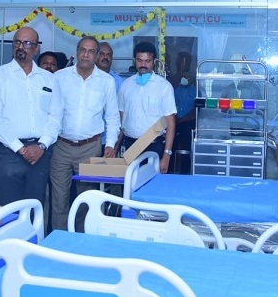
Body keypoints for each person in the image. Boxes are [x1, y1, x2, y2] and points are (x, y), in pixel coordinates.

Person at [46, 36, 120, 231]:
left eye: (91, 51)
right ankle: (60, 240)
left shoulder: (106, 81)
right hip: (61, 146)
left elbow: (113, 117)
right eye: (83, 50)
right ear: (77, 51)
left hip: (90, 148)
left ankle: (80, 237)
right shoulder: (59, 77)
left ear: (96, 55)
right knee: (59, 200)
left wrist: (110, 144)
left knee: (86, 200)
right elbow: (51, 113)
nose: (86, 55)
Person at [0, 26, 54, 207]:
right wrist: (20, 149)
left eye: (27, 43)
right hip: (8, 153)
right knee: (5, 210)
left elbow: (56, 116)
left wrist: (41, 145)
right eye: (17, 42)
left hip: (40, 154)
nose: (21, 47)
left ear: (36, 48)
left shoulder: (48, 79)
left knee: (34, 208)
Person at [118, 41, 176, 174]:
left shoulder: (164, 87)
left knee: (152, 184)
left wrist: (167, 155)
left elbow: (170, 123)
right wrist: (115, 147)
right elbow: (120, 119)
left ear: (154, 61)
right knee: (128, 184)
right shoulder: (126, 85)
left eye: (147, 61)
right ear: (134, 60)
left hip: (153, 145)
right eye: (140, 60)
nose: (143, 65)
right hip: (129, 146)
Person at [172, 51, 196, 174]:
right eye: (184, 75)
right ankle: (171, 170)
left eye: (187, 75)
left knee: (187, 148)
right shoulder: (177, 89)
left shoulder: (196, 91)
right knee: (172, 146)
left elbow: (195, 111)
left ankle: (186, 172)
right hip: (176, 122)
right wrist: (175, 119)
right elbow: (173, 106)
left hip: (188, 124)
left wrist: (184, 119)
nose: (185, 77)